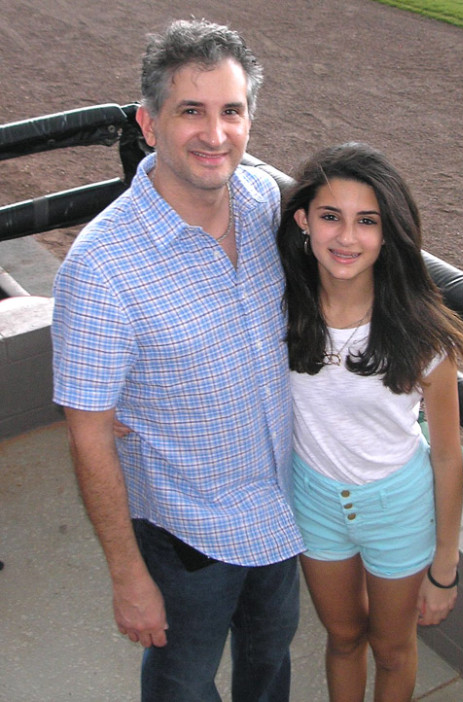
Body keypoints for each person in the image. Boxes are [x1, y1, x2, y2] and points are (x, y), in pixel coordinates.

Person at [51, 18, 304, 702]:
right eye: (191, 111)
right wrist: (129, 577)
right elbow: (89, 434)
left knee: (270, 659)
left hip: (281, 511)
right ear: (150, 123)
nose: (215, 135)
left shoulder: (260, 202)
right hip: (187, 538)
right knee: (182, 683)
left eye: (231, 111)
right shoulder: (100, 269)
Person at [276, 142, 463, 702]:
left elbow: (446, 455)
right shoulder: (278, 308)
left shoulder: (424, 338)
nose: (346, 237)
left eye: (366, 221)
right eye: (330, 217)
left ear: (388, 232)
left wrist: (446, 564)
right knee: (344, 638)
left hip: (398, 508)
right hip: (314, 501)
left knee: (392, 649)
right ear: (303, 221)